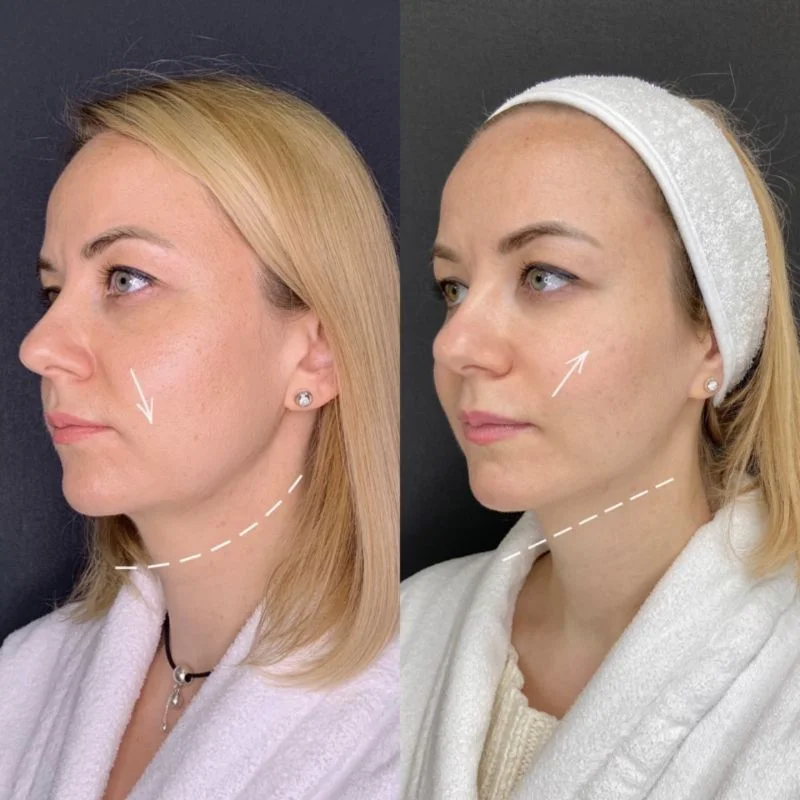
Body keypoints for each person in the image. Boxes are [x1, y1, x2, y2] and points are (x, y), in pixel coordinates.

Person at [0, 71, 399, 800]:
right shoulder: (22, 684)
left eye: (126, 279)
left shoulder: (410, 734)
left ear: (315, 354)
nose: (40, 346)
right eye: (53, 291)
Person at [401, 75, 800, 800]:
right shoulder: (408, 628)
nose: (455, 344)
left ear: (710, 339)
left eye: (544, 276)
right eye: (452, 287)